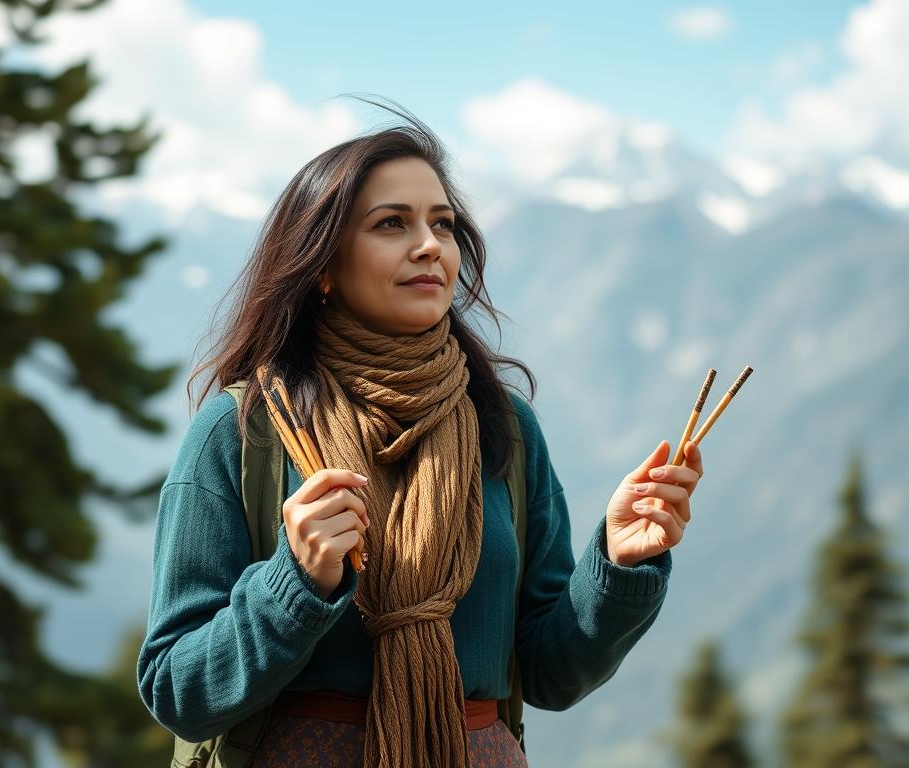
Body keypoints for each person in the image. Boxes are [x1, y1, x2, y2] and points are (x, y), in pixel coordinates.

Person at [137, 98, 704, 768]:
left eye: (443, 223)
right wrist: (294, 582)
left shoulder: (505, 426)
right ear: (322, 262)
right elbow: (176, 688)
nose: (430, 245)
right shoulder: (245, 432)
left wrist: (618, 561)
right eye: (391, 224)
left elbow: (552, 673)